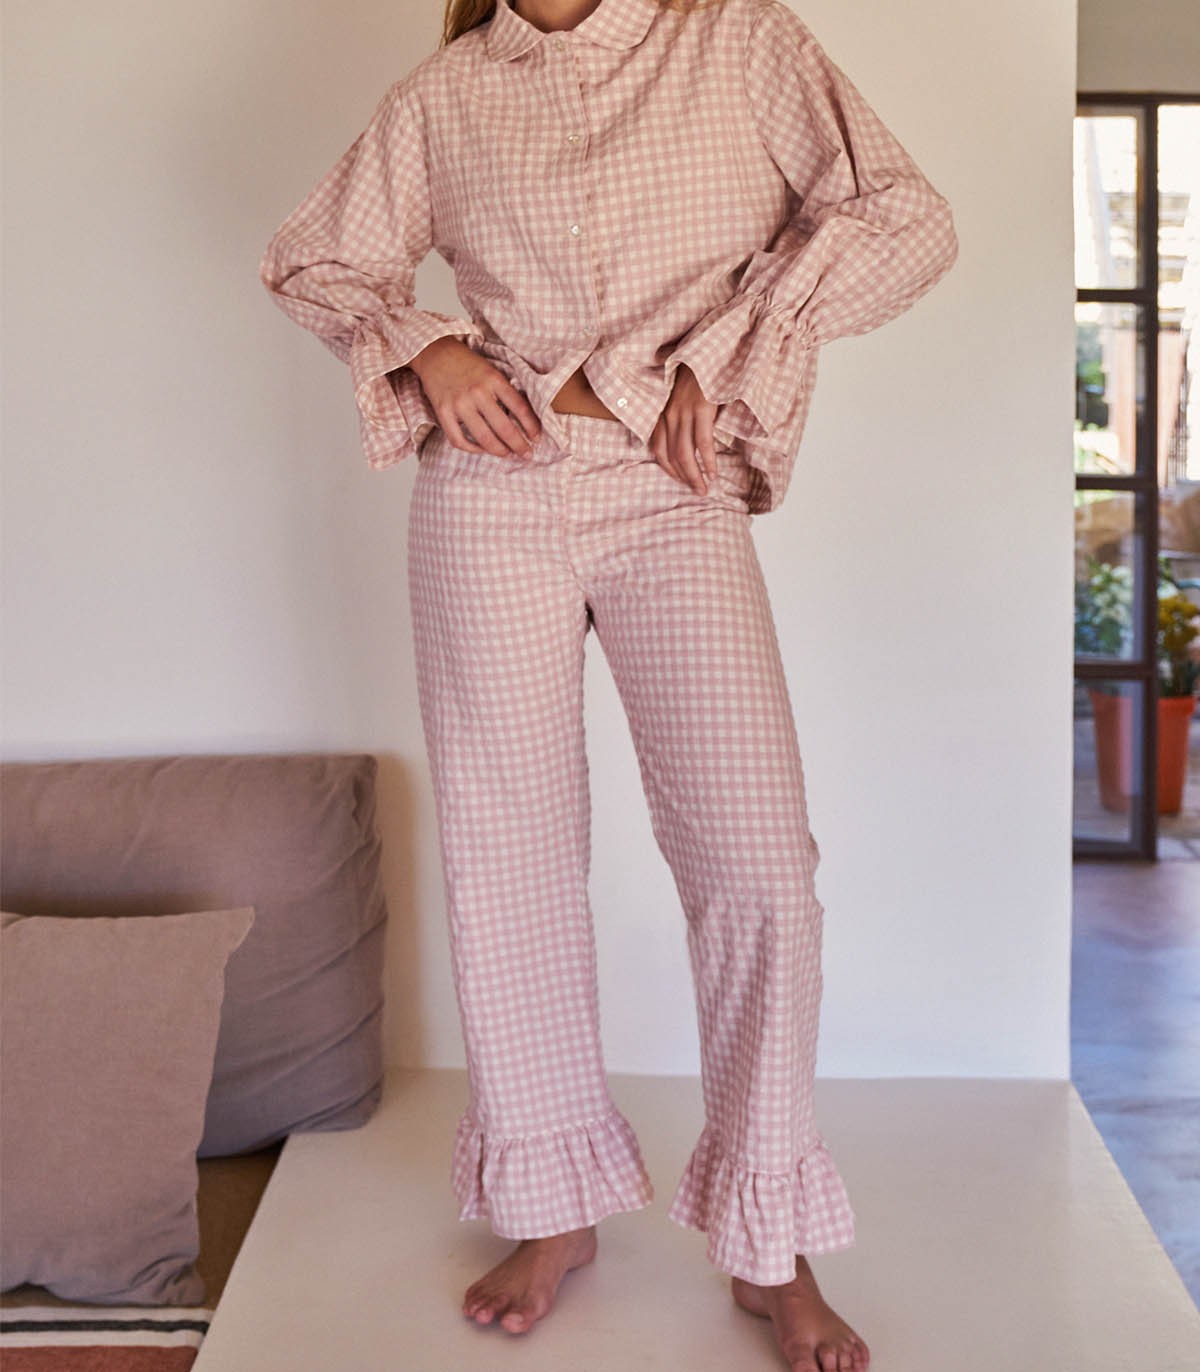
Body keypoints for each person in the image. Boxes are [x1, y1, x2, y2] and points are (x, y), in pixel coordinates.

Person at [259, 0, 958, 1367]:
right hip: (489, 493)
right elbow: (313, 260)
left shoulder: (737, 41)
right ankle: (552, 1208)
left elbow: (906, 218)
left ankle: (767, 1239)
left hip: (670, 491)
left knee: (759, 866)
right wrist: (429, 348)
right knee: (508, 857)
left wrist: (738, 348)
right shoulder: (448, 93)